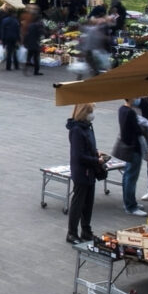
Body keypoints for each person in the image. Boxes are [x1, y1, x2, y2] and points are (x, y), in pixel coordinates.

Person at [66, 103, 102, 244]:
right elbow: (78, 155)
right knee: (78, 203)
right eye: (90, 112)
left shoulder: (87, 126)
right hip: (82, 172)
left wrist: (96, 152)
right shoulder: (77, 130)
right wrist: (96, 160)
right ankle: (72, 233)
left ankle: (86, 231)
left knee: (88, 203)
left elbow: (90, 145)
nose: (92, 114)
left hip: (90, 170)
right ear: (83, 113)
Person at [116, 98, 145, 216]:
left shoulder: (121, 109)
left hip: (127, 148)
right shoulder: (131, 112)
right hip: (134, 148)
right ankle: (130, 206)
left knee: (127, 176)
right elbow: (138, 131)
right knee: (131, 177)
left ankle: (129, 201)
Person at [21, 4, 44, 76]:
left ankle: (26, 67)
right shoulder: (38, 25)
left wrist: (24, 42)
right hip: (35, 43)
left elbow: (26, 34)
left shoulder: (29, 25)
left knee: (29, 56)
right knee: (36, 58)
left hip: (29, 44)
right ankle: (36, 71)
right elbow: (41, 33)